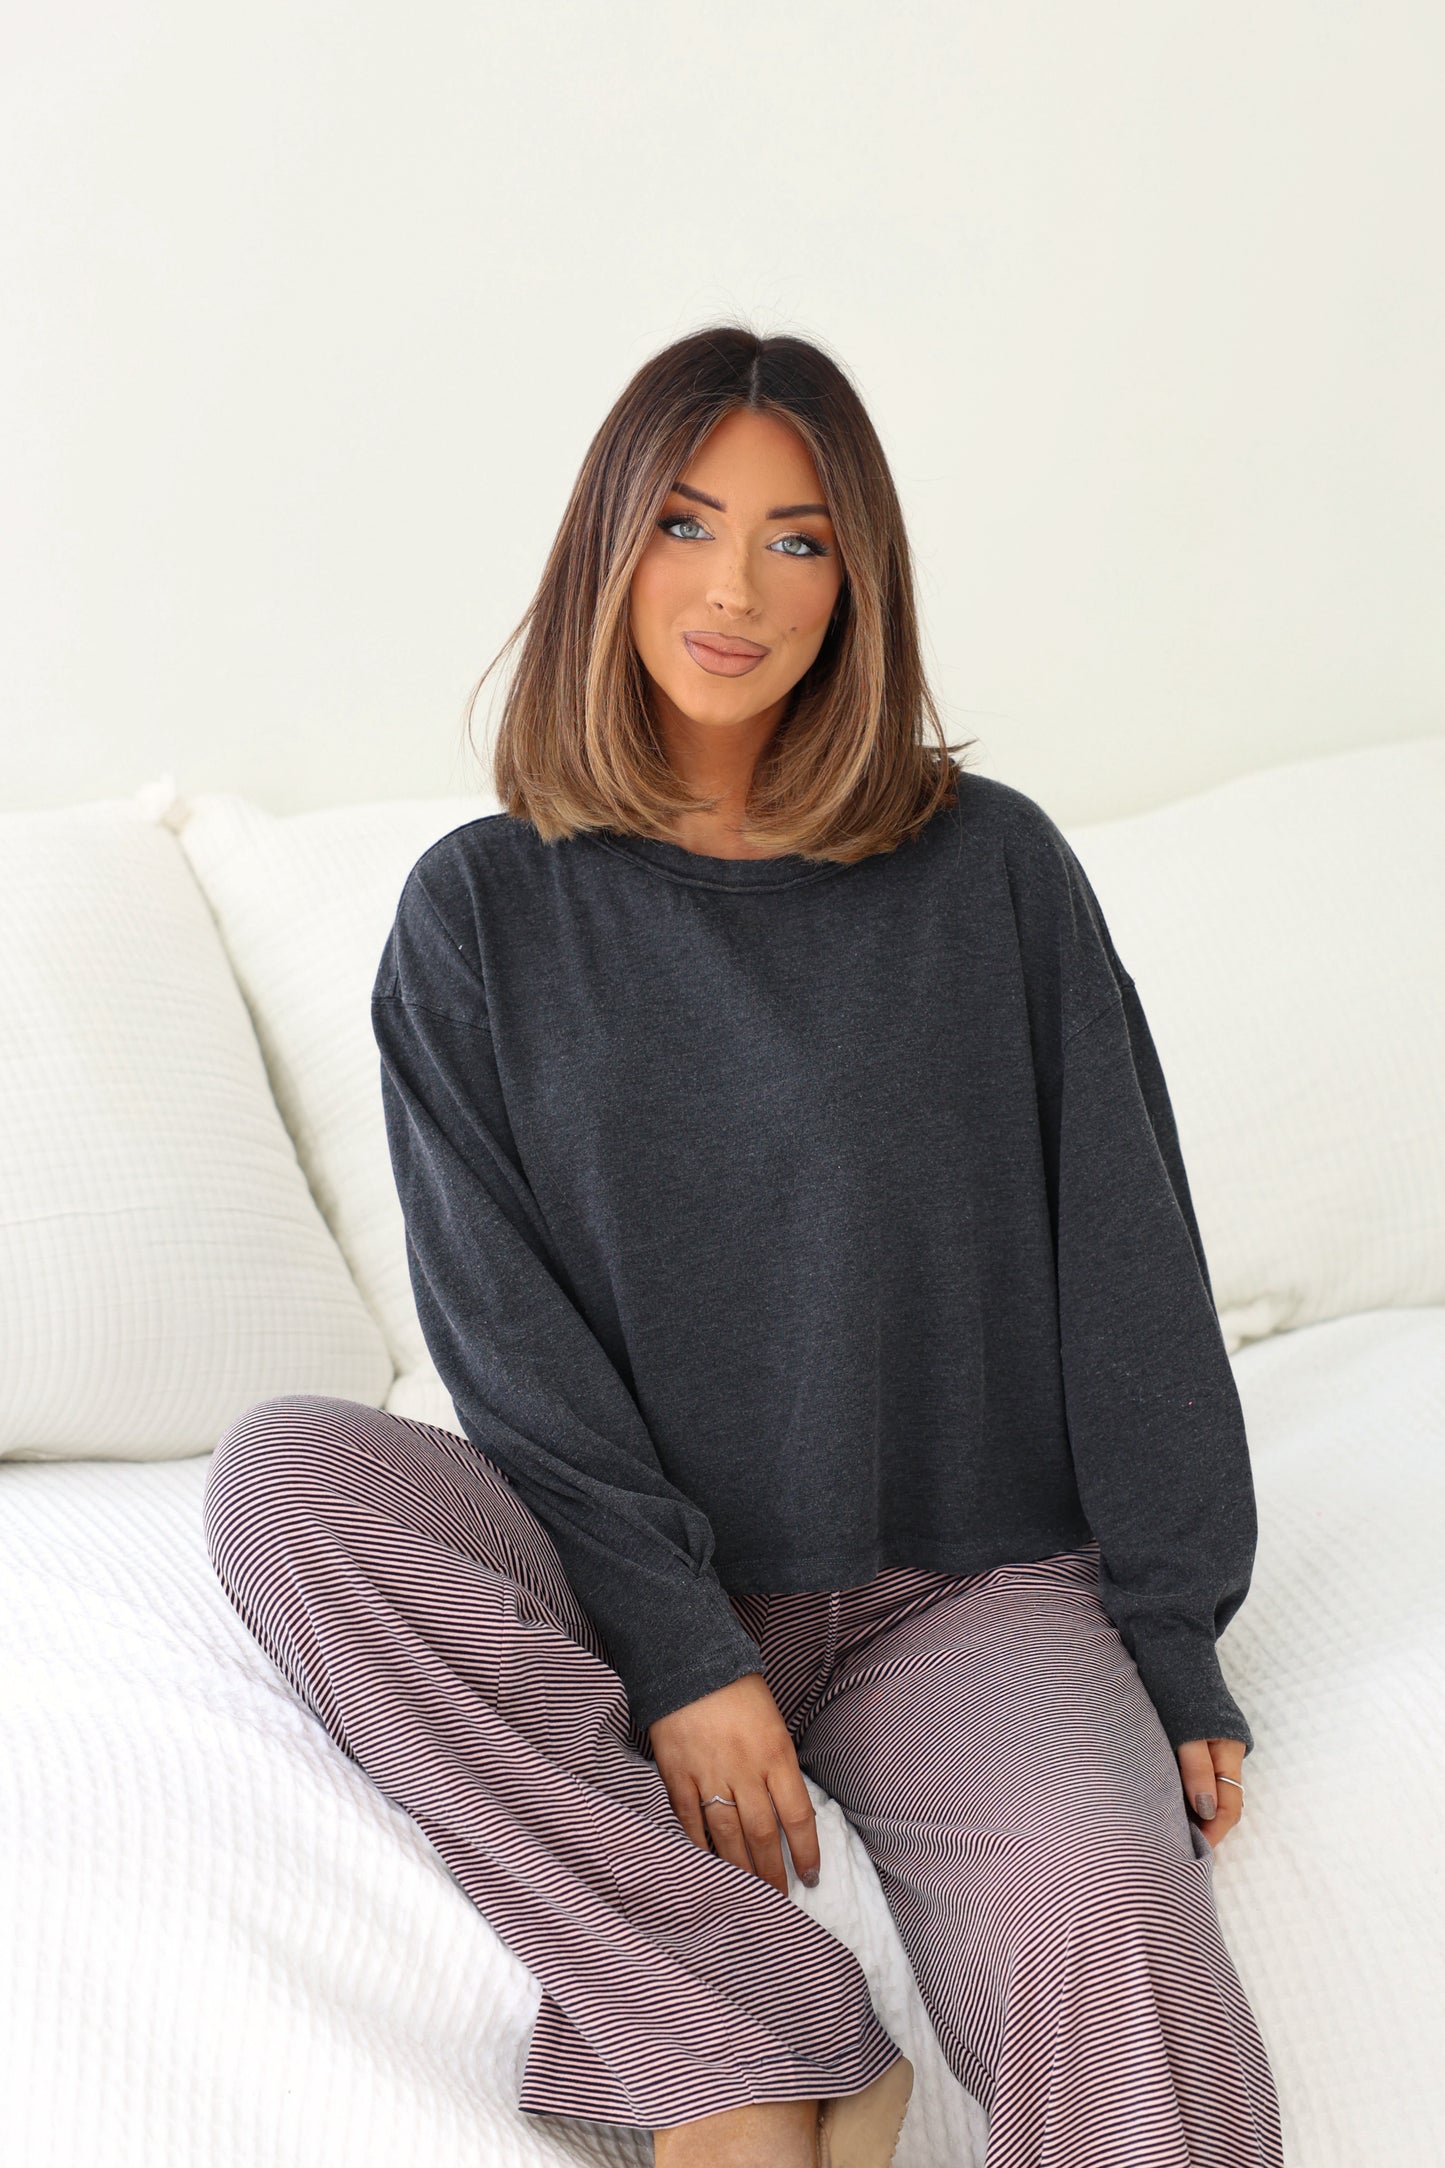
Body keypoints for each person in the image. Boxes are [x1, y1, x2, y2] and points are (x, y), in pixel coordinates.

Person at [203, 324, 1284, 2168]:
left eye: (798, 540)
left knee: (1109, 1893)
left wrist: (1172, 1633)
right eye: (687, 525)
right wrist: (682, 1652)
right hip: (611, 1564)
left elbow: (1129, 1258)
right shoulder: (480, 911)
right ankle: (748, 2031)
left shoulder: (991, 870)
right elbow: (503, 1339)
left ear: (855, 581)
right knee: (289, 1475)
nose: (735, 589)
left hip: (951, 1584)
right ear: (606, 547)